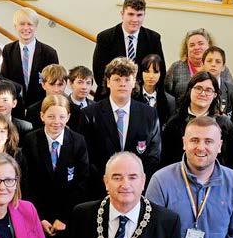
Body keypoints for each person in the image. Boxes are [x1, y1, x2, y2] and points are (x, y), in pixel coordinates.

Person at [21, 95, 90, 238]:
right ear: (42, 116)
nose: (56, 121)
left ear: (68, 117)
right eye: (51, 116)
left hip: (66, 220)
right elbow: (27, 183)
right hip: (37, 218)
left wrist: (65, 218)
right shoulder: (30, 140)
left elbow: (82, 183)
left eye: (61, 116)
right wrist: (39, 218)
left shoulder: (77, 141)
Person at [81, 57, 162, 187]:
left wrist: (136, 182)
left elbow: (154, 155)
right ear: (108, 82)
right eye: (117, 79)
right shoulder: (89, 114)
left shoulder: (149, 114)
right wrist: (109, 181)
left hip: (137, 187)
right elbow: (87, 156)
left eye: (127, 79)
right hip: (100, 186)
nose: (122, 84)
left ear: (134, 82)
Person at [161, 71, 233, 172]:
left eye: (208, 90)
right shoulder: (174, 123)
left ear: (215, 95)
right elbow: (166, 162)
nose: (203, 93)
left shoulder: (224, 124)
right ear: (190, 90)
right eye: (198, 88)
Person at [92, 0, 165, 98]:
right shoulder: (105, 37)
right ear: (122, 14)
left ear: (144, 15)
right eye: (131, 14)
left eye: (139, 15)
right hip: (111, 95)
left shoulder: (153, 38)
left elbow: (160, 71)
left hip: (142, 96)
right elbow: (99, 74)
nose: (135, 19)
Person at [1, 7, 60, 107]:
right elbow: (5, 79)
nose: (26, 28)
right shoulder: (8, 50)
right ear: (15, 26)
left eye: (30, 24)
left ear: (36, 26)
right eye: (22, 24)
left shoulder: (49, 53)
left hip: (41, 106)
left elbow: (54, 84)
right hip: (14, 105)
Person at [165, 28, 233, 102]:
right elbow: (166, 94)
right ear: (186, 49)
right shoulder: (176, 68)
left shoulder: (221, 69)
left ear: (209, 46)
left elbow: (230, 95)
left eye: (201, 44)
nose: (196, 48)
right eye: (192, 45)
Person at [202, 47, 233, 132]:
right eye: (209, 61)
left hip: (225, 137)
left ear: (223, 67)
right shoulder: (194, 88)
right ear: (203, 64)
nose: (213, 64)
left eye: (218, 62)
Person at [135, 54, 175, 128]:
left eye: (155, 72)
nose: (151, 76)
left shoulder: (170, 101)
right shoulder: (132, 96)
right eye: (147, 71)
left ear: (161, 74)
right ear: (141, 72)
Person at [67, 65, 94, 131]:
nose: (84, 87)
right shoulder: (63, 106)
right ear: (71, 83)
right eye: (80, 82)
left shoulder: (95, 107)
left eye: (88, 83)